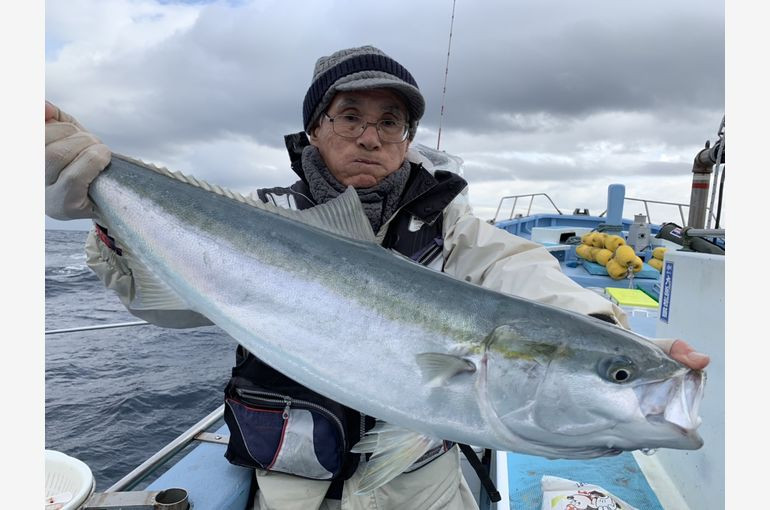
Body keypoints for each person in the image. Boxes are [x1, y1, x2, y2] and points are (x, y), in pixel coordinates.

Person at [45, 45, 709, 510]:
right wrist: (103, 215)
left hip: (415, 492)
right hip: (290, 488)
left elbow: (525, 272)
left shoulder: (451, 228)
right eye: (351, 117)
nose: (370, 137)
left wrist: (610, 338)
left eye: (389, 122)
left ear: (407, 137)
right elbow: (167, 310)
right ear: (315, 127)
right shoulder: (260, 220)